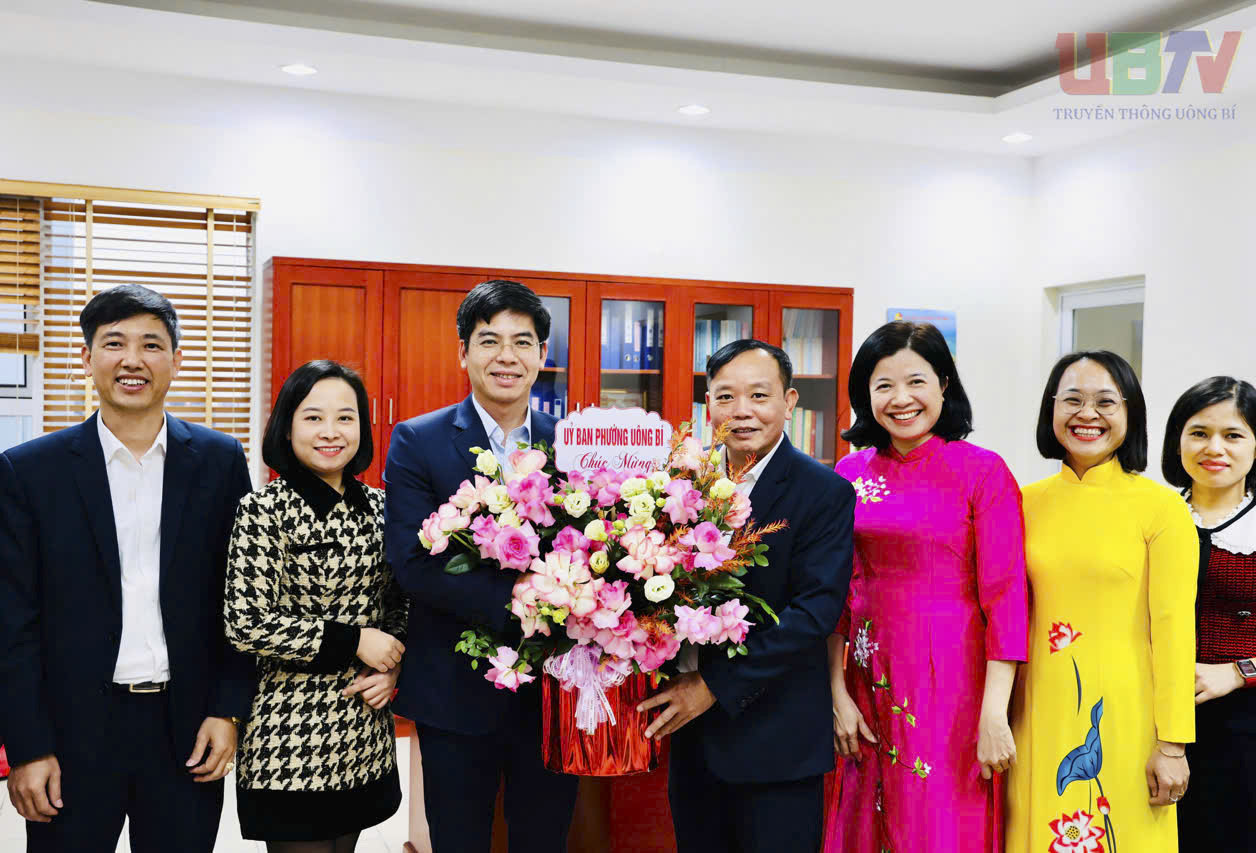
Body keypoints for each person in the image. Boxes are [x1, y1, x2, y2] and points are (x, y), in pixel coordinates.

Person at [0, 284, 255, 852]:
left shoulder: (219, 461)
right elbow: (12, 620)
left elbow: (237, 598)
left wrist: (228, 711)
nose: (132, 360)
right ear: (87, 358)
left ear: (176, 361)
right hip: (71, 733)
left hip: (185, 727)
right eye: (114, 343)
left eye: (151, 345)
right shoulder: (29, 471)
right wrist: (28, 745)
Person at [383, 280, 579, 853]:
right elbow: (412, 562)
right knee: (458, 839)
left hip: (553, 689)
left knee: (544, 839)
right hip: (454, 687)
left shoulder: (572, 446)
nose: (506, 356)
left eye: (522, 342)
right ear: (463, 352)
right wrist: (525, 603)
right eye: (489, 341)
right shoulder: (417, 440)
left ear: (543, 355)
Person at [639, 339, 855, 853]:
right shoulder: (680, 484)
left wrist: (713, 686)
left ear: (790, 401)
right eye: (726, 396)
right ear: (707, 405)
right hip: (692, 738)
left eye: (759, 395)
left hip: (776, 743)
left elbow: (814, 613)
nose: (742, 411)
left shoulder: (823, 492)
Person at [822, 321, 1028, 853]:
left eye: (916, 381)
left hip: (953, 683)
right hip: (866, 675)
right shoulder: (849, 472)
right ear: (865, 395)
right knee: (865, 817)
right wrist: (836, 693)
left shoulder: (983, 471)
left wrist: (995, 711)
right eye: (883, 385)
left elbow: (1006, 597)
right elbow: (834, 590)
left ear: (944, 384)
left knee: (937, 822)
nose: (901, 399)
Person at [1006, 351, 1198, 853]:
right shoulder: (1021, 502)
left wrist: (1173, 743)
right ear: (1051, 409)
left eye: (1106, 402)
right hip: (1034, 709)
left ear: (1131, 413)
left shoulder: (1162, 508)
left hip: (1126, 715)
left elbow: (1175, 630)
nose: (1087, 414)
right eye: (1072, 400)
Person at [224, 360, 408, 852]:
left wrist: (392, 663)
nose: (331, 431)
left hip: (363, 728)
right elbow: (245, 623)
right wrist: (355, 640)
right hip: (288, 735)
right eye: (313, 417)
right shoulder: (263, 510)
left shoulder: (382, 508)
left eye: (345, 417)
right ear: (287, 428)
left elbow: (400, 604)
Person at [1161, 376, 1256, 848]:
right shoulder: (1153, 515)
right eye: (1199, 432)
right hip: (1152, 723)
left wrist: (1239, 672)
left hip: (1243, 727)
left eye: (1233, 435)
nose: (1214, 448)